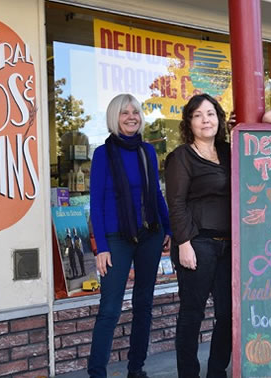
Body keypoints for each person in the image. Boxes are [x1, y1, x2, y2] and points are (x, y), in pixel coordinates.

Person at [88, 93, 172, 378]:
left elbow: (156, 193)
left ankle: (136, 368)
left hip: (150, 234)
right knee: (110, 308)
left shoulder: (147, 151)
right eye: (124, 113)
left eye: (135, 111)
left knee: (143, 304)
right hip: (116, 238)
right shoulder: (102, 154)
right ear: (115, 117)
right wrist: (101, 247)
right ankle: (97, 372)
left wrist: (168, 227)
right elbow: (96, 203)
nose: (131, 117)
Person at [165, 94, 232, 378]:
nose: (206, 120)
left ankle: (217, 371)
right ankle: (189, 374)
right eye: (198, 115)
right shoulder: (181, 157)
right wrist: (183, 244)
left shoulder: (230, 151)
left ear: (219, 118)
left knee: (228, 315)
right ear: (189, 123)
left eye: (211, 114)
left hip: (230, 246)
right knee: (192, 314)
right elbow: (176, 203)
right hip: (197, 242)